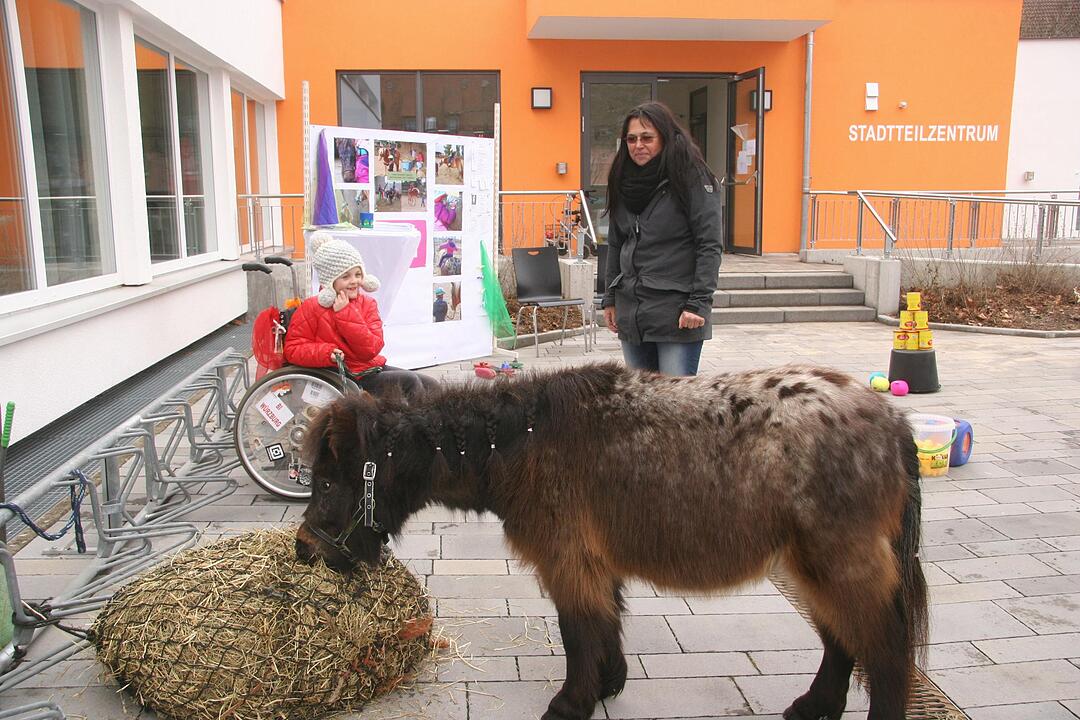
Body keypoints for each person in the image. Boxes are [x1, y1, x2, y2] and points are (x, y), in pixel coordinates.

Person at [600, 101, 722, 377]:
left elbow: (709, 245)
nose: (638, 145)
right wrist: (610, 299)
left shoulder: (692, 178)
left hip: (677, 312)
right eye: (631, 139)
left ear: (665, 138)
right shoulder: (623, 180)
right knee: (641, 406)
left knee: (675, 409)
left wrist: (698, 303)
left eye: (647, 138)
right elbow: (616, 243)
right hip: (632, 311)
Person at [285, 232, 437, 400]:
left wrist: (345, 314)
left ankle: (436, 424)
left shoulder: (368, 304)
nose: (354, 281)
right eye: (345, 276)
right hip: (341, 375)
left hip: (367, 367)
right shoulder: (312, 307)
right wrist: (325, 353)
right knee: (410, 382)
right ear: (330, 279)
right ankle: (411, 425)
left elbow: (371, 349)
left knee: (431, 385)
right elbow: (293, 350)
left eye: (358, 275)